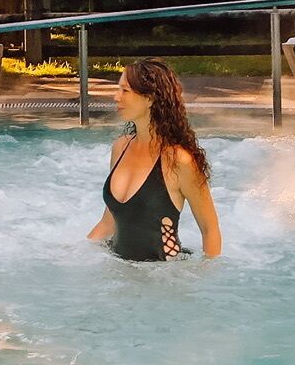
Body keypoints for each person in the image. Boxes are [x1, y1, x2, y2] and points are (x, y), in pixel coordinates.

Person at [89, 59, 222, 261]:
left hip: (163, 277)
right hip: (119, 273)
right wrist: (74, 254)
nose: (116, 97)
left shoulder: (178, 161)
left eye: (125, 91)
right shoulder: (120, 147)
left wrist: (206, 282)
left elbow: (209, 229)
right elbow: (109, 222)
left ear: (149, 98)